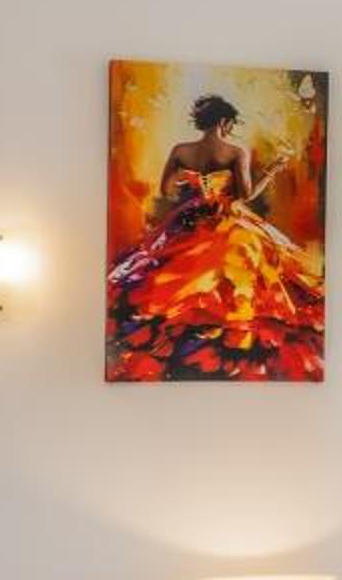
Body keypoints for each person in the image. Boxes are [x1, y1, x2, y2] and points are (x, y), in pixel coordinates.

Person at [106, 92, 325, 381]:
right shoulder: (235, 152)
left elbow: (165, 190)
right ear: (224, 121)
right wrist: (271, 171)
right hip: (224, 219)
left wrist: (192, 189)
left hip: (188, 219)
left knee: (169, 267)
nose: (232, 128)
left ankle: (188, 324)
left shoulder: (181, 150)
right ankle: (224, 325)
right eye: (231, 123)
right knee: (243, 262)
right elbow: (246, 195)